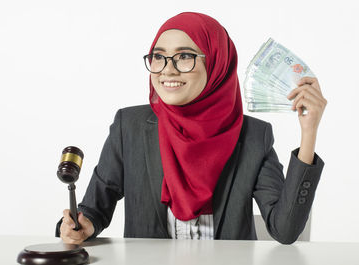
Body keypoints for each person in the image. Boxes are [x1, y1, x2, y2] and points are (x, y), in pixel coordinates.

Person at [56, 12, 326, 244]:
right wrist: (82, 226)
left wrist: (309, 132)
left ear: (217, 63)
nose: (167, 71)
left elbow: (285, 230)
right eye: (158, 57)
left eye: (184, 56)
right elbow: (93, 211)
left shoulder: (254, 136)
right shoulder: (130, 127)